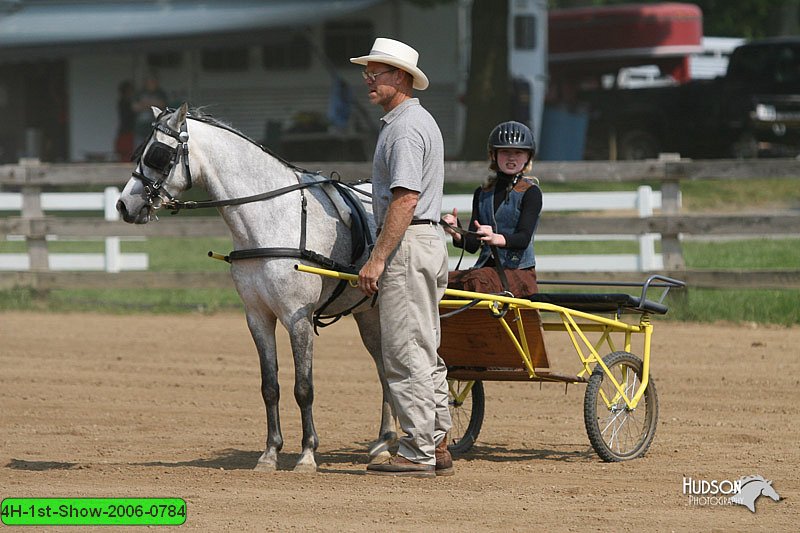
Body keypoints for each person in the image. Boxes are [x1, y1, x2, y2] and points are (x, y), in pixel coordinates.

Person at [350, 38, 453, 478]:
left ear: (403, 79)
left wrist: (377, 258)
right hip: (425, 244)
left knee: (404, 348)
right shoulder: (414, 121)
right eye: (368, 71)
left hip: (409, 244)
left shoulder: (405, 128)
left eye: (379, 71)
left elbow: (406, 198)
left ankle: (416, 451)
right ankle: (439, 439)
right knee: (426, 346)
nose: (369, 78)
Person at [442, 121, 542, 296]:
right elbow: (473, 245)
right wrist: (456, 231)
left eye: (518, 152)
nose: (512, 158)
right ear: (494, 155)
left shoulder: (531, 192)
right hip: (485, 271)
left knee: (475, 280)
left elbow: (523, 238)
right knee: (440, 280)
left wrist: (496, 238)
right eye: (505, 152)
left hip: (518, 273)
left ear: (528, 157)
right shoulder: (482, 193)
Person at [133, 73, 168, 146]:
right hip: (140, 128)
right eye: (149, 81)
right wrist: (153, 104)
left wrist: (144, 104)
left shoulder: (161, 93)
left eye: (153, 81)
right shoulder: (140, 93)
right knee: (139, 148)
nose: (151, 83)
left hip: (156, 127)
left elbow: (162, 105)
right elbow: (135, 107)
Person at [114, 80, 136, 161]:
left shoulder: (122, 102)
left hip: (126, 131)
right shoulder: (125, 102)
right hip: (127, 131)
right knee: (126, 154)